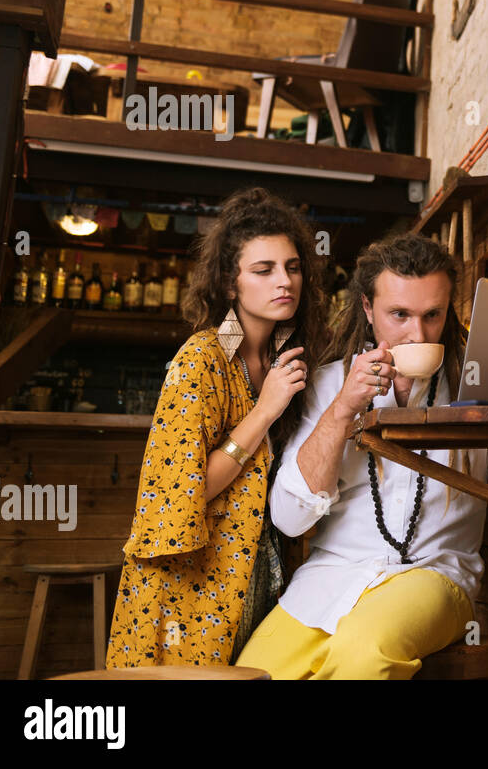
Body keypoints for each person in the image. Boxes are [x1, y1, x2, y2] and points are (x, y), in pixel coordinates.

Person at [236, 232, 488, 679]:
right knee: (251, 674)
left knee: (363, 654)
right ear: (368, 309)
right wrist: (343, 409)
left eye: (432, 316)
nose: (417, 333)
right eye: (399, 315)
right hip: (329, 579)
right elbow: (291, 519)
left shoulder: (481, 390)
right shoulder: (328, 386)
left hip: (436, 576)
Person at [106, 187, 328, 667]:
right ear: (231, 285)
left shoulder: (285, 353)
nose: (283, 281)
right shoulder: (202, 358)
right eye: (263, 270)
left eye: (292, 267)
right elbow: (182, 491)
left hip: (254, 565)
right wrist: (264, 410)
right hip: (188, 578)